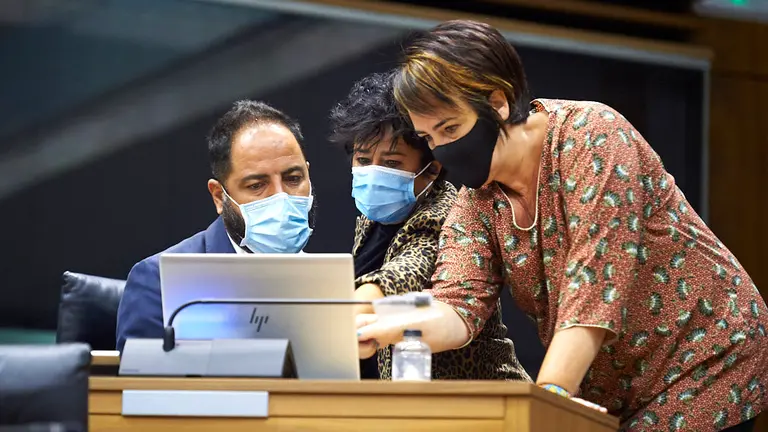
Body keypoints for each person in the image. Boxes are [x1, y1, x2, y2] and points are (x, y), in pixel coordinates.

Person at [356, 20, 768, 431]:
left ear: (497, 102)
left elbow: (594, 284)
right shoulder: (477, 201)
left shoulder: (592, 136)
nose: (444, 148)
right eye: (429, 138)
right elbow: (457, 305)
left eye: (451, 128)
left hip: (705, 357)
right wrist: (389, 325)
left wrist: (549, 396)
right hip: (618, 387)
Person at [330, 70, 530, 382]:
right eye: (363, 159)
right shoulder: (371, 220)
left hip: (482, 403)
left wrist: (338, 316)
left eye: (392, 163)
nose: (374, 173)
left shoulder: (449, 213)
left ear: (432, 169)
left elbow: (405, 273)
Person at [116, 100, 314, 352]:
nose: (281, 197)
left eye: (293, 179)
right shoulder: (159, 281)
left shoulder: (340, 283)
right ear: (219, 196)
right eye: (256, 185)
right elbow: (144, 387)